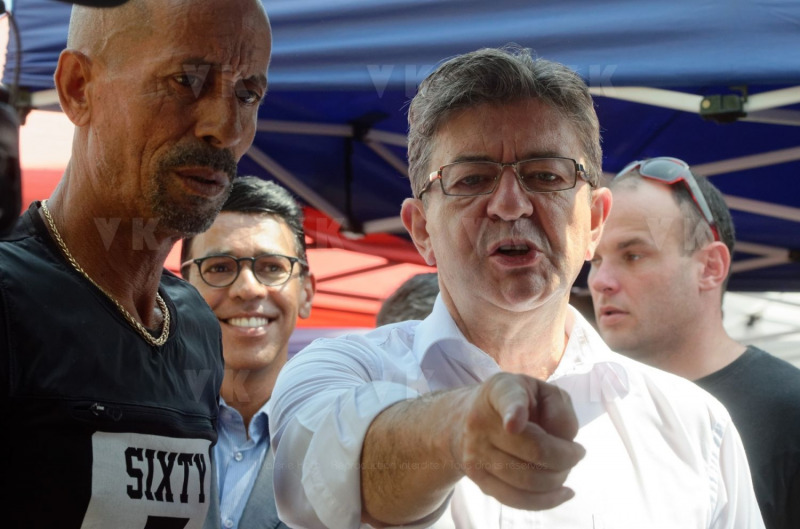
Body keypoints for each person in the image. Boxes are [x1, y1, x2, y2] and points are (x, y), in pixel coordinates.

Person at [269, 46, 764, 529]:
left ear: (594, 222)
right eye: (471, 179)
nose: (511, 204)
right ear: (421, 230)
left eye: (546, 175)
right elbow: (311, 482)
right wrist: (461, 430)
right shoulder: (340, 369)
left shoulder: (696, 426)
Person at [0, 1, 271, 527]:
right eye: (187, 80)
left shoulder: (192, 321)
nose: (227, 128)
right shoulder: (10, 300)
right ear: (78, 87)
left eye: (248, 93)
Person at [588, 156, 800, 529]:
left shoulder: (789, 411)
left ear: (710, 267)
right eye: (596, 259)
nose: (600, 280)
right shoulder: (588, 406)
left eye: (633, 255)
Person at [181, 176, 315, 529]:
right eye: (220, 268)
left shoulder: (353, 435)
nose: (247, 288)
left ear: (306, 292)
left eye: (272, 267)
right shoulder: (136, 423)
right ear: (182, 290)